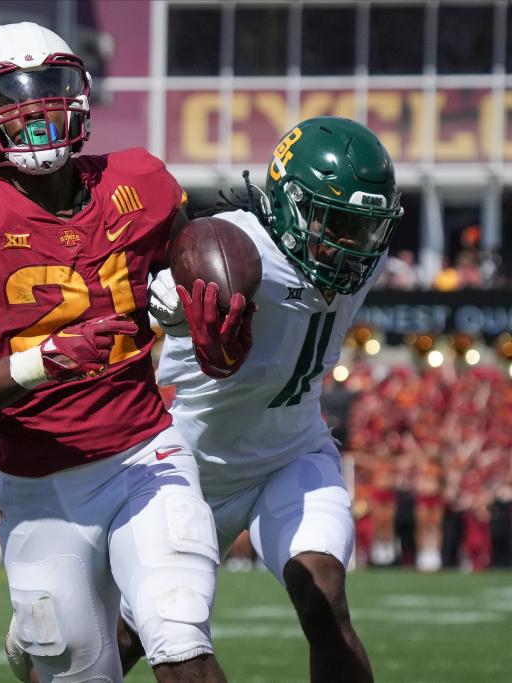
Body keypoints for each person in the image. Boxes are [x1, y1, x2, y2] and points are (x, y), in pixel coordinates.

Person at [0, 22, 249, 683]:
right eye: (10, 92)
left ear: (81, 92)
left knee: (181, 641)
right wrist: (43, 361)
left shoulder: (139, 182)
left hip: (144, 455)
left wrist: (206, 327)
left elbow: (189, 286)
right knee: (79, 670)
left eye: (50, 85)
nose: (35, 108)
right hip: (38, 482)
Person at [119, 116, 401, 682]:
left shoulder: (355, 262)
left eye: (364, 228)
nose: (352, 245)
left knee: (324, 593)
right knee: (120, 641)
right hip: (191, 470)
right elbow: (160, 293)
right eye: (337, 222)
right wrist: (172, 304)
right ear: (291, 204)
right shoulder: (231, 246)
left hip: (291, 453)